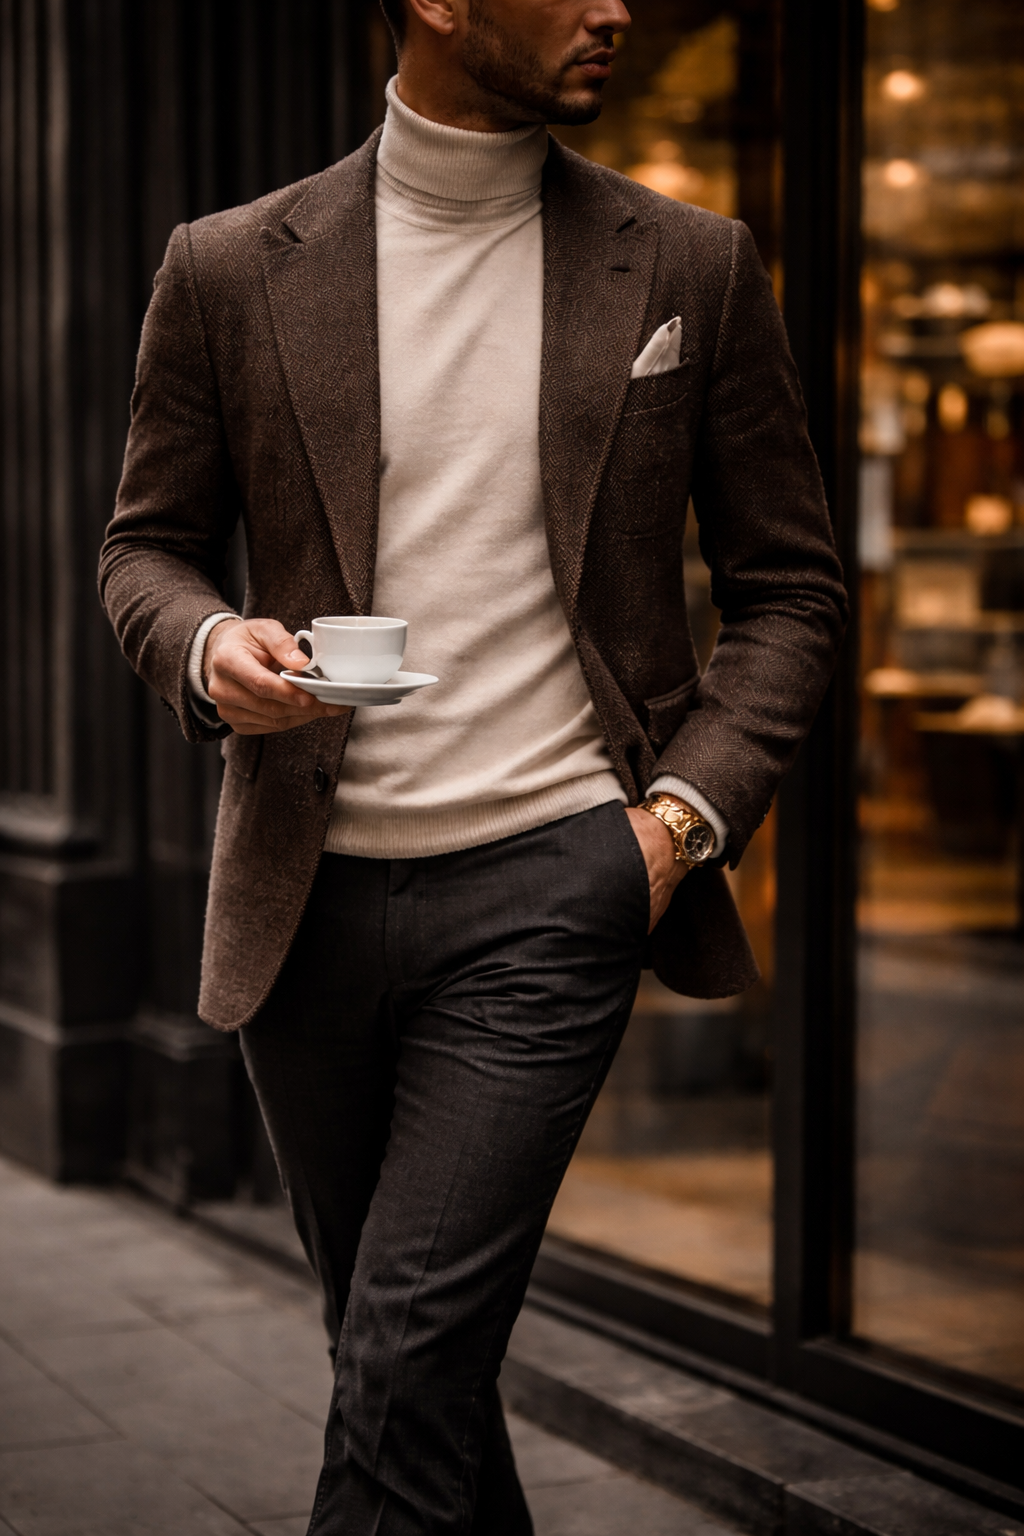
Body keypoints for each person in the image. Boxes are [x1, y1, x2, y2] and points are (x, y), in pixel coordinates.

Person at [99, 0, 847, 1526]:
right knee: (402, 1373)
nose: (618, 6)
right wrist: (207, 644)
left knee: (400, 1365)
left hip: (552, 886)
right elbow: (147, 549)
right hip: (302, 911)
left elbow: (793, 591)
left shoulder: (692, 262)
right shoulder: (231, 264)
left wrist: (670, 826)